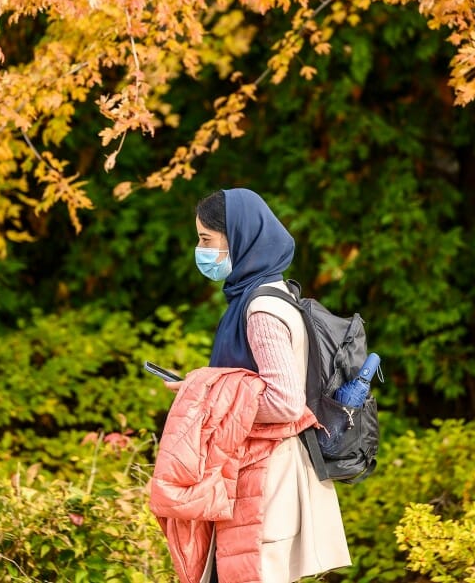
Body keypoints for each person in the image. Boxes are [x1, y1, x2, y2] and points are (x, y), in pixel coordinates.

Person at [149, 188, 351, 583]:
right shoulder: (275, 294)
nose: (200, 250)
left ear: (239, 239)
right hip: (262, 470)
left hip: (269, 480)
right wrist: (204, 386)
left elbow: (285, 402)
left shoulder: (261, 309)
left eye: (207, 240)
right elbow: (249, 383)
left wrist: (207, 395)